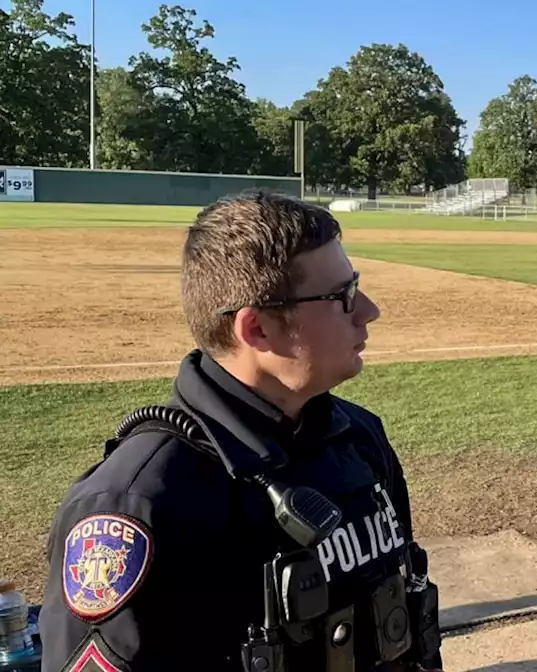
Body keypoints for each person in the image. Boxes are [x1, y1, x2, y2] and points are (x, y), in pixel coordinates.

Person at [37, 191, 444, 672]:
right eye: (343, 297)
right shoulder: (139, 503)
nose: (369, 310)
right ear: (258, 330)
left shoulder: (359, 436)